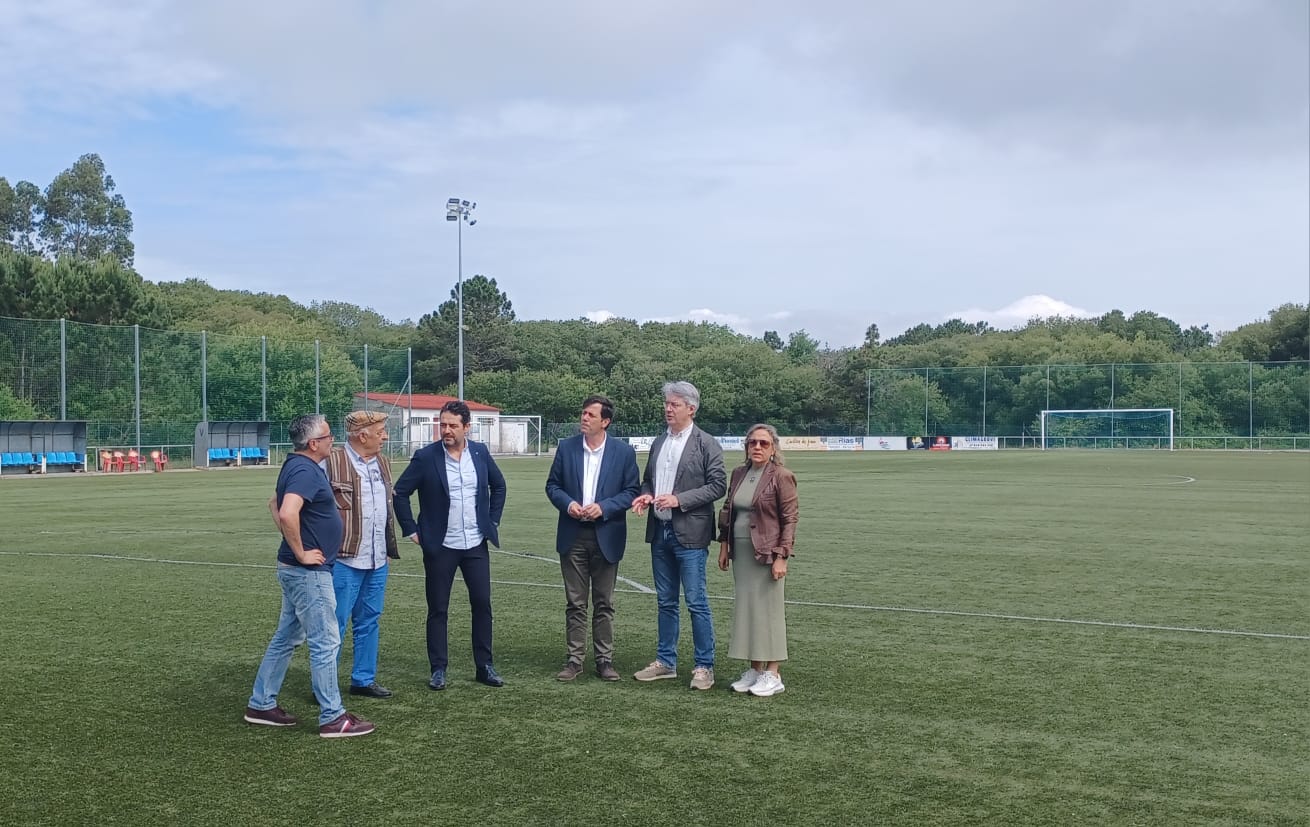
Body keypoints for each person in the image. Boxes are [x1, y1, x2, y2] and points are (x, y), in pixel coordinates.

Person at [245, 414, 375, 738]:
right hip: (307, 573)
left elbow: (273, 504)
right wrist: (302, 551)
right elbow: (286, 511)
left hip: (297, 570)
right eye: (330, 436)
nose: (334, 441)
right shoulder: (304, 469)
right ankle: (333, 716)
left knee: (287, 637)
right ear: (314, 443)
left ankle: (261, 703)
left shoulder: (297, 466)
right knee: (325, 640)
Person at [393, 399, 508, 690]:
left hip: (475, 544)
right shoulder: (426, 457)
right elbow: (400, 493)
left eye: (452, 425)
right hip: (440, 545)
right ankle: (438, 668)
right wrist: (411, 530)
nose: (446, 430)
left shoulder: (480, 454)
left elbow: (500, 486)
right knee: (438, 608)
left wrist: (491, 521)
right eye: (442, 424)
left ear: (466, 427)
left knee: (482, 604)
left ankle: (484, 666)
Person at [630, 381, 726, 690]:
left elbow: (717, 485)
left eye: (674, 404)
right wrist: (646, 496)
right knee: (665, 601)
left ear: (691, 408)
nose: (668, 408)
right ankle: (665, 661)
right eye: (667, 403)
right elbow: (648, 481)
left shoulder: (706, 443)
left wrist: (679, 500)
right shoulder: (659, 442)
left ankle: (704, 666)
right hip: (660, 532)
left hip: (691, 534)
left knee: (696, 601)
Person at [545, 395, 641, 682]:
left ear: (605, 421)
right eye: (583, 413)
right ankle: (574, 660)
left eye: (590, 414)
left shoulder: (623, 453)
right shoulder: (567, 448)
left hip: (607, 534)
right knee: (575, 602)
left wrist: (604, 507)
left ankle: (604, 660)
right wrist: (568, 504)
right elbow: (553, 486)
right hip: (573, 534)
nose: (584, 418)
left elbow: (631, 491)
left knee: (604, 603)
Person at [716, 424, 798, 697]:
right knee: (748, 610)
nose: (757, 448)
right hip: (742, 553)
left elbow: (789, 519)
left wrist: (781, 556)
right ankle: (754, 669)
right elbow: (728, 509)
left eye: (763, 443)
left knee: (769, 611)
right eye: (753, 443)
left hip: (767, 553)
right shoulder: (740, 473)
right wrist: (724, 546)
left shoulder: (782, 476)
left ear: (773, 447)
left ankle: (773, 672)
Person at [325, 410, 400, 699]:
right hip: (343, 560)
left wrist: (386, 547)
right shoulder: (330, 462)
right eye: (381, 430)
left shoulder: (382, 462)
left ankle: (363, 679)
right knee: (336, 623)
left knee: (370, 619)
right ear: (362, 434)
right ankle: (326, 683)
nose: (385, 436)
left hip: (378, 558)